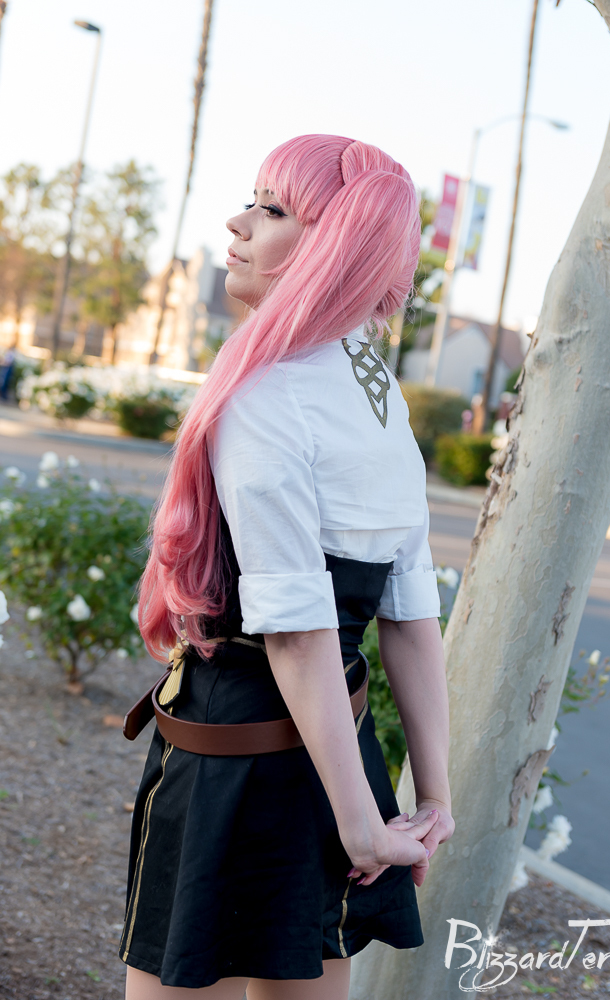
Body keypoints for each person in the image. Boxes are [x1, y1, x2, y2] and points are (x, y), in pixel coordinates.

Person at [120, 134, 455, 1000]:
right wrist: (429, 796)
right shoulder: (381, 399)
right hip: (339, 752)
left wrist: (367, 828)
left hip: (235, 756)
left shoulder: (267, 392)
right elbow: (410, 617)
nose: (238, 223)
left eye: (271, 209)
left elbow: (299, 635)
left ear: (333, 245)